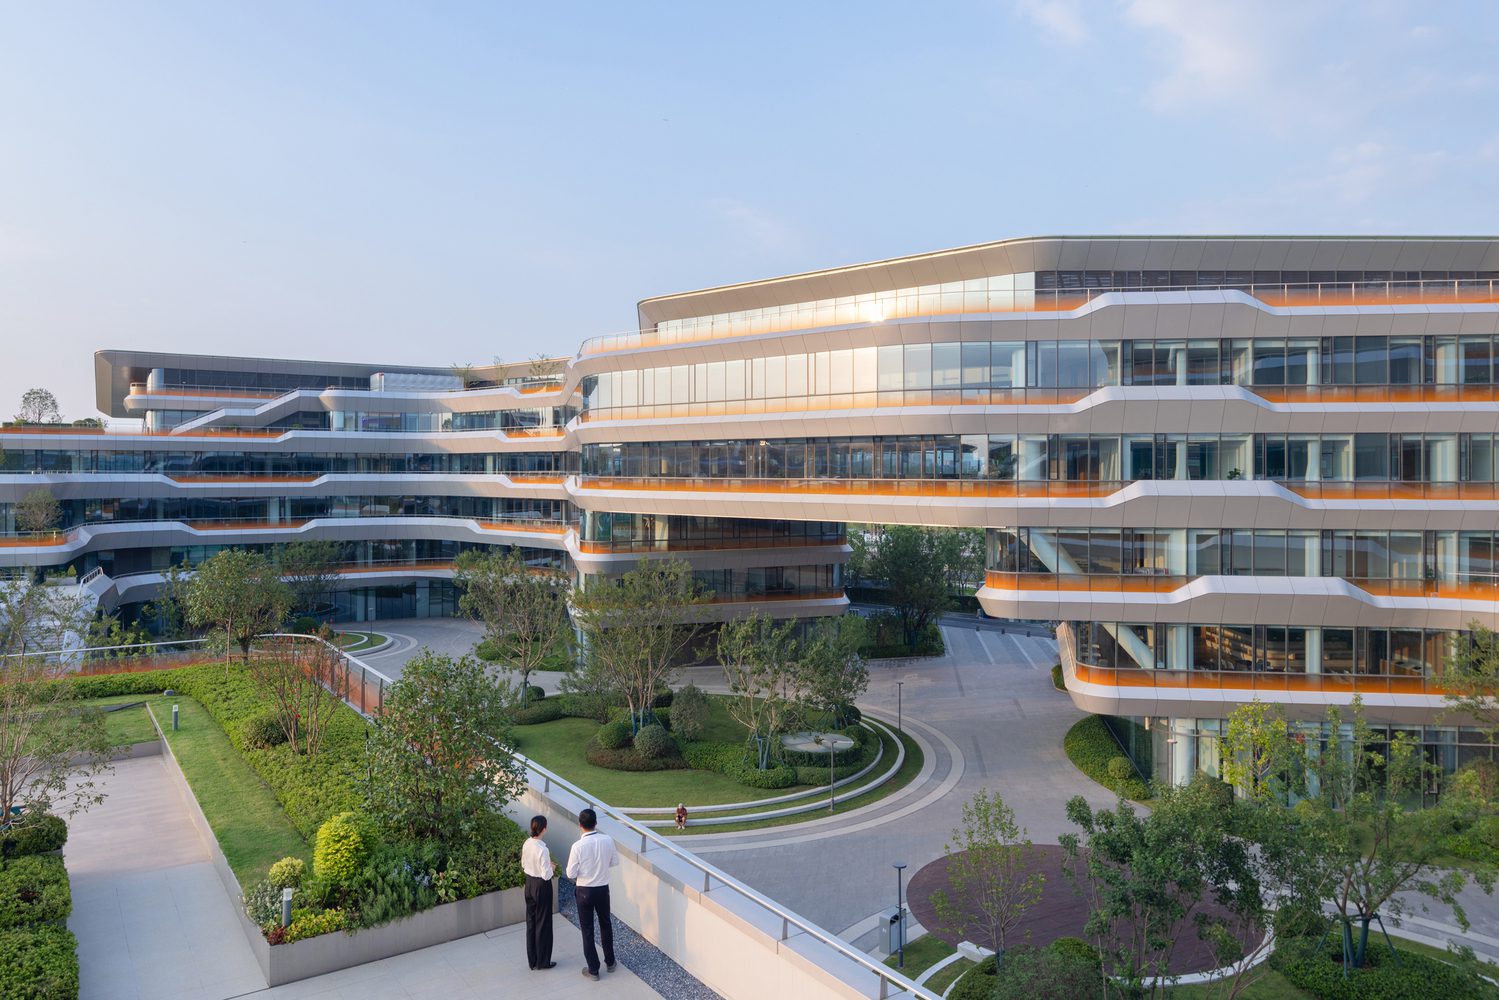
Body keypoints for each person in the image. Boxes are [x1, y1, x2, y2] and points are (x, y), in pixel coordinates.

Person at [565, 807, 618, 980]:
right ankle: (610, 962)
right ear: (596, 823)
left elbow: (570, 873)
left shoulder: (577, 846)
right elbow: (614, 861)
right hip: (602, 889)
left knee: (587, 930)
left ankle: (593, 970)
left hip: (584, 891)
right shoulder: (608, 840)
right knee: (606, 924)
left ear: (580, 825)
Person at [521, 815, 556, 970]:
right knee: (543, 923)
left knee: (531, 922)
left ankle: (533, 960)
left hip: (529, 883)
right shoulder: (543, 849)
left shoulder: (527, 843)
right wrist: (552, 867)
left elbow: (523, 864)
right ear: (544, 829)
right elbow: (546, 875)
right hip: (541, 886)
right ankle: (543, 961)